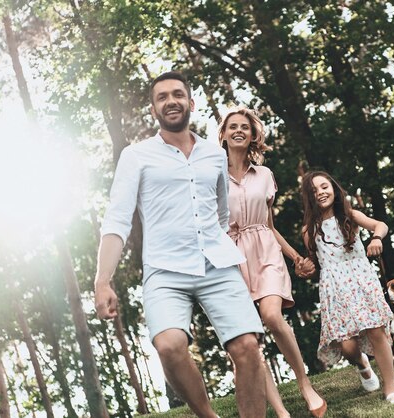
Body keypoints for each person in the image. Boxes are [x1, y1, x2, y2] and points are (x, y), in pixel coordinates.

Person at [94, 72, 266, 418]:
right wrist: (102, 280)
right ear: (153, 108)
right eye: (162, 97)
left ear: (191, 102)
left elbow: (219, 212)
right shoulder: (136, 155)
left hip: (216, 265)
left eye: (177, 94)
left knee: (247, 346)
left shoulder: (214, 155)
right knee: (170, 346)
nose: (170, 101)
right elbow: (118, 218)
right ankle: (209, 416)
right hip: (164, 270)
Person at [218, 106, 327, 418]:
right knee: (247, 338)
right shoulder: (211, 176)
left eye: (245, 127)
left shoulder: (265, 176)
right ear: (223, 135)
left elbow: (268, 226)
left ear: (253, 135)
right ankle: (281, 412)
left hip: (265, 251)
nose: (239, 130)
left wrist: (295, 257)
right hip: (230, 257)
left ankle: (305, 384)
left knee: (271, 315)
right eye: (232, 126)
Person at [299, 171, 394, 404]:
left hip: (361, 278)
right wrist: (306, 269)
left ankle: (391, 390)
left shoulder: (350, 215)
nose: (321, 193)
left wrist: (376, 238)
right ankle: (362, 364)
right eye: (314, 190)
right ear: (309, 197)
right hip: (334, 288)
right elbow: (315, 264)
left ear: (334, 189)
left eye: (324, 186)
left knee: (377, 331)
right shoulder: (309, 230)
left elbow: (380, 225)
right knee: (347, 346)